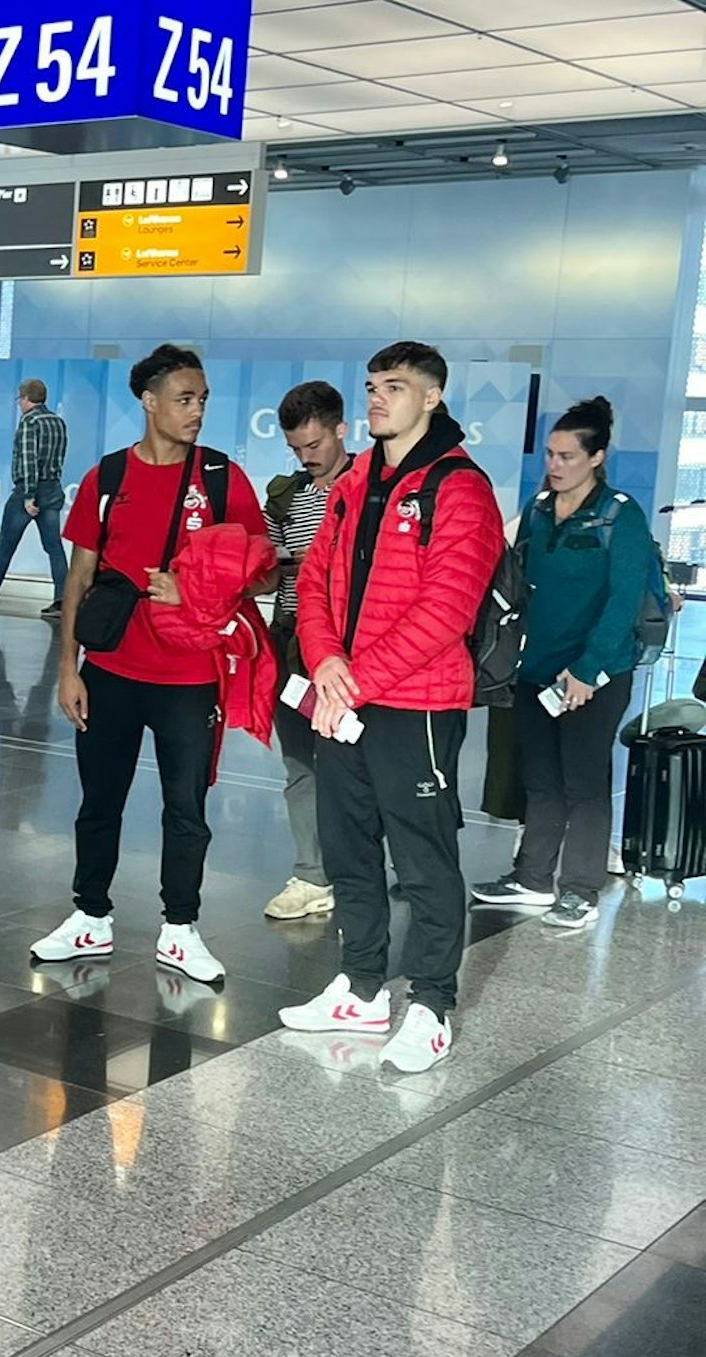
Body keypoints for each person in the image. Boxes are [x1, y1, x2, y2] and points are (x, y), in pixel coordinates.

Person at [278, 342, 502, 1074]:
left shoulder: (460, 488)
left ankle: (432, 1004)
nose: (377, 398)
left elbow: (447, 609)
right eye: (373, 385)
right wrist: (325, 663)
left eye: (395, 387)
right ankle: (362, 985)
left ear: (431, 397)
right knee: (347, 848)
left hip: (417, 706)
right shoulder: (355, 481)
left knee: (423, 858)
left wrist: (352, 680)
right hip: (346, 699)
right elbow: (313, 580)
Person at [30, 345, 267, 985]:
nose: (197, 411)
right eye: (185, 399)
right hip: (111, 671)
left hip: (190, 677)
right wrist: (68, 668)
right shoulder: (107, 478)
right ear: (150, 401)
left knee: (186, 809)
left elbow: (261, 569)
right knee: (98, 802)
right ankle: (90, 915)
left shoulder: (222, 480)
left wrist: (195, 590)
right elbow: (78, 579)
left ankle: (180, 928)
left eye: (203, 400)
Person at [470, 397, 653, 931]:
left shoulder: (620, 515)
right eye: (550, 454)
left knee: (585, 784)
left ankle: (578, 890)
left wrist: (588, 670)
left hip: (595, 674)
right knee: (540, 779)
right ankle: (532, 877)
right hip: (536, 670)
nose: (554, 464)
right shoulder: (539, 509)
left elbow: (622, 602)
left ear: (596, 457)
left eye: (567, 456)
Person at [262, 381, 352, 922]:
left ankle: (360, 871)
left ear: (342, 430)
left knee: (356, 767)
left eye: (314, 445)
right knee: (299, 763)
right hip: (292, 642)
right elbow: (268, 573)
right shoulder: (287, 496)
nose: (306, 457)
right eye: (296, 448)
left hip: (350, 649)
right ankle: (312, 873)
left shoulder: (371, 489)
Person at [0, 378, 70, 618]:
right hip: (53, 489)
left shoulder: (30, 421)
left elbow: (29, 460)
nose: (18, 403)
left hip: (28, 492)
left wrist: (29, 496)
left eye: (19, 399)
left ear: (26, 398)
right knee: (54, 547)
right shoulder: (58, 422)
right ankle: (63, 600)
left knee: (5, 546)